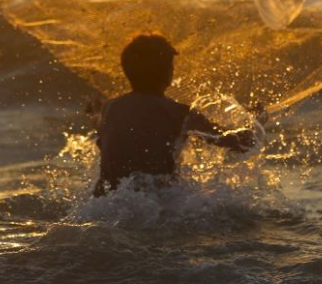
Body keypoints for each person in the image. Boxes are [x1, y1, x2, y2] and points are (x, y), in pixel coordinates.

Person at [91, 33, 256, 197]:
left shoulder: (110, 108)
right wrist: (254, 123)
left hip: (107, 198)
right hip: (157, 200)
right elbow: (233, 142)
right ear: (168, 73)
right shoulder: (179, 113)